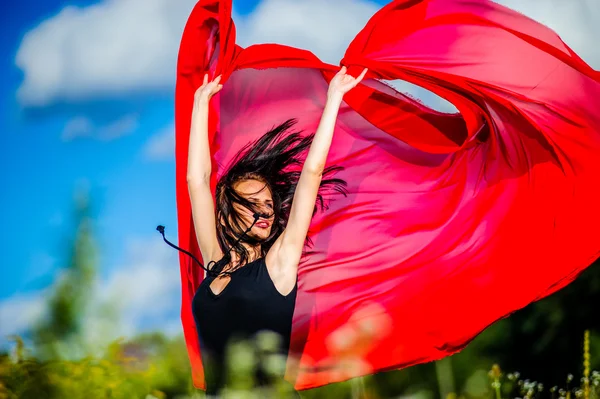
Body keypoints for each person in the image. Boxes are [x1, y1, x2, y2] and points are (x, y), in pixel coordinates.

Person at [185, 66, 368, 395]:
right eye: (252, 204)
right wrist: (199, 104)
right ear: (225, 215)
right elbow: (196, 182)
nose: (264, 211)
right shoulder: (214, 262)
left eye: (268, 204)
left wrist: (334, 99)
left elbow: (311, 174)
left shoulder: (280, 263)